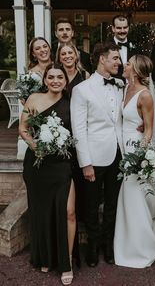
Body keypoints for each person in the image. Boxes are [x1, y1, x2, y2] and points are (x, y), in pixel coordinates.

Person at [19, 63, 76, 285]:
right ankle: (45, 256)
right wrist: (36, 147)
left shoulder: (72, 103)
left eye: (59, 77)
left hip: (62, 164)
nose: (55, 81)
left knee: (68, 211)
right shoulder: (33, 99)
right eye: (50, 77)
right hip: (37, 164)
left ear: (65, 80)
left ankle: (67, 261)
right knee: (42, 211)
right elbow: (23, 128)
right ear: (45, 80)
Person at [114, 54, 155, 268]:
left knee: (134, 196)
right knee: (127, 197)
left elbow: (148, 130)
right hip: (121, 147)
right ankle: (126, 244)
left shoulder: (145, 95)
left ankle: (142, 247)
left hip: (135, 151)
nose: (124, 65)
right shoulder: (124, 89)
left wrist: (139, 157)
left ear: (135, 70)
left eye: (127, 64)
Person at [70, 42, 124, 268]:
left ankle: (108, 244)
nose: (118, 63)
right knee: (91, 204)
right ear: (102, 59)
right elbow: (78, 129)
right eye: (115, 58)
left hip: (119, 154)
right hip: (94, 156)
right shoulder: (81, 89)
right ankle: (92, 245)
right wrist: (86, 163)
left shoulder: (121, 85)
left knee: (113, 204)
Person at [56, 42, 90, 267]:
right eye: (63, 53)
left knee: (81, 184)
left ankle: (80, 222)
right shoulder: (56, 76)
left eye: (71, 52)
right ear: (59, 57)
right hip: (59, 134)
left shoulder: (85, 75)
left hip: (81, 134)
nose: (68, 55)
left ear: (76, 55)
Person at [109, 14, 137, 81]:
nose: (122, 31)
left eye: (125, 27)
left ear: (128, 28)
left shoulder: (136, 46)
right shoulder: (106, 47)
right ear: (113, 28)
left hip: (132, 87)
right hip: (113, 87)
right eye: (119, 28)